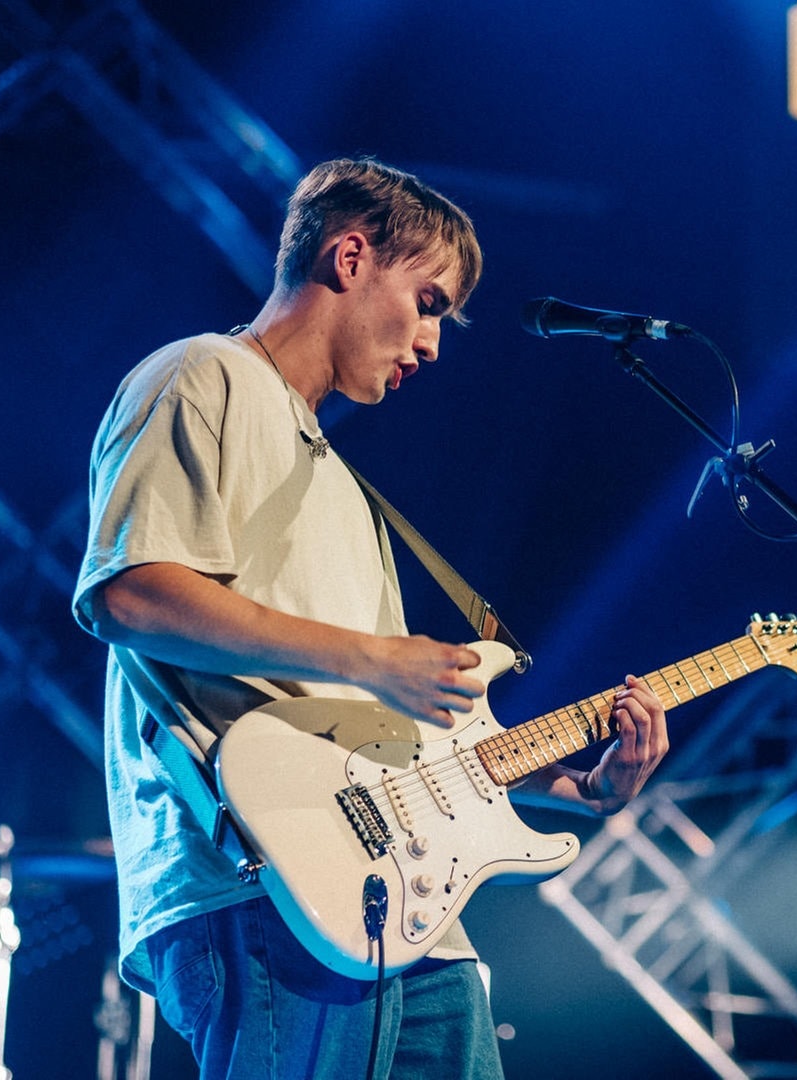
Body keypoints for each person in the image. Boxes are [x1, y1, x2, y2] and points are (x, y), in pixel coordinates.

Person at [73, 157, 670, 1079]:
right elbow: (131, 591)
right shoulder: (202, 375)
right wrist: (371, 658)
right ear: (351, 257)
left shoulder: (348, 491)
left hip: (409, 911)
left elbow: (400, 749)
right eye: (429, 300)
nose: (433, 343)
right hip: (263, 880)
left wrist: (581, 790)